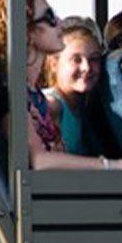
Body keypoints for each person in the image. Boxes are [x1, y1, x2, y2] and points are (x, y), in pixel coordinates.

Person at [0, 0, 122, 172]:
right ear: (27, 31)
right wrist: (112, 165)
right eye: (50, 17)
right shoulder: (6, 88)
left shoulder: (32, 93)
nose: (59, 23)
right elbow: (39, 160)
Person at [42, 16, 105, 156]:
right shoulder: (54, 105)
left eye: (93, 59)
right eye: (76, 59)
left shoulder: (81, 103)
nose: (86, 67)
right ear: (54, 64)